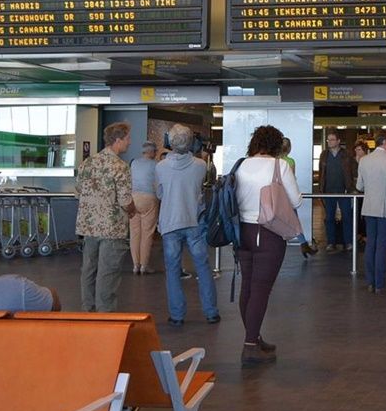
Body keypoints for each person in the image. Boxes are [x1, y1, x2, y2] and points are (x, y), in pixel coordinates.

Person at [235, 125, 303, 365]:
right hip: (268, 233)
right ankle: (250, 345)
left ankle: (254, 337)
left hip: (242, 231)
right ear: (276, 145)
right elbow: (296, 200)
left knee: (248, 288)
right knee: (261, 290)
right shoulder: (280, 166)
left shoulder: (241, 164)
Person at [156, 125, 221, 327]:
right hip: (194, 221)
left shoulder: (160, 167)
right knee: (203, 267)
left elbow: (159, 194)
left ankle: (177, 315)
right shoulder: (200, 165)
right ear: (191, 142)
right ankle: (211, 312)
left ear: (170, 142)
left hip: (170, 223)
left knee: (173, 269)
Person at [75, 122, 135, 313]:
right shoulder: (120, 166)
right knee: (108, 272)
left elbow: (78, 192)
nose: (129, 142)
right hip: (112, 227)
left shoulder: (87, 163)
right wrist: (133, 210)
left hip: (89, 226)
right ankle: (105, 314)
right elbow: (125, 200)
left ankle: (88, 310)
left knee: (89, 270)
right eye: (127, 139)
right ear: (118, 140)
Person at [358, 131, 386, 293]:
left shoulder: (364, 160)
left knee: (371, 244)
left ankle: (371, 282)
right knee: (382, 246)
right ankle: (380, 284)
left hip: (369, 208)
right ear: (384, 142)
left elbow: (360, 186)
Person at [317, 131, 355, 252]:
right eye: (328, 140)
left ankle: (348, 242)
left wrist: (352, 188)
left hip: (344, 190)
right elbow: (321, 173)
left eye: (332, 139)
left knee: (347, 217)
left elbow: (353, 171)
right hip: (328, 190)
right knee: (329, 218)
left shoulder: (346, 154)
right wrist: (320, 190)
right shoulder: (324, 155)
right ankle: (331, 242)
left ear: (338, 141)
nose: (330, 142)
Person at [280, 137, 316, 258]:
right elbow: (291, 179)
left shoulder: (274, 160)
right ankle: (303, 244)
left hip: (277, 194)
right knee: (295, 220)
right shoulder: (290, 161)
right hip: (288, 195)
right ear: (289, 149)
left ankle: (302, 244)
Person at [129, 141, 160, 274]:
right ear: (152, 152)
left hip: (134, 198)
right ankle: (144, 265)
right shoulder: (156, 165)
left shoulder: (134, 163)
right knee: (147, 233)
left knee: (135, 233)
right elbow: (158, 184)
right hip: (149, 199)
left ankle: (135, 265)